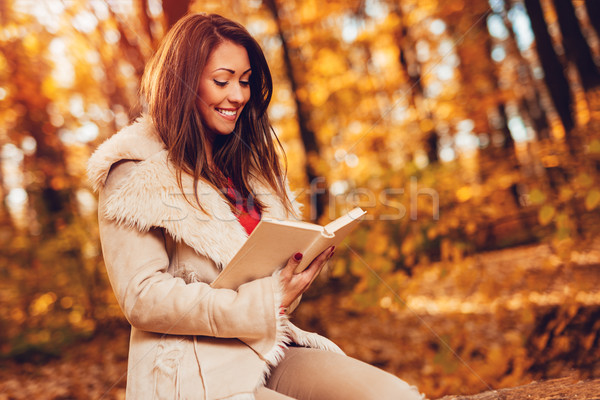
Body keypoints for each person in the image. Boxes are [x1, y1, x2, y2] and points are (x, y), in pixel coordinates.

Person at [87, 13, 424, 400]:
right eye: (222, 80)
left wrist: (295, 276)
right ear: (180, 82)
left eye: (245, 82)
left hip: (268, 349)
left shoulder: (250, 169)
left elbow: (265, 284)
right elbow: (142, 298)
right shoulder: (133, 170)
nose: (239, 95)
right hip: (191, 370)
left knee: (394, 396)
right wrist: (261, 302)